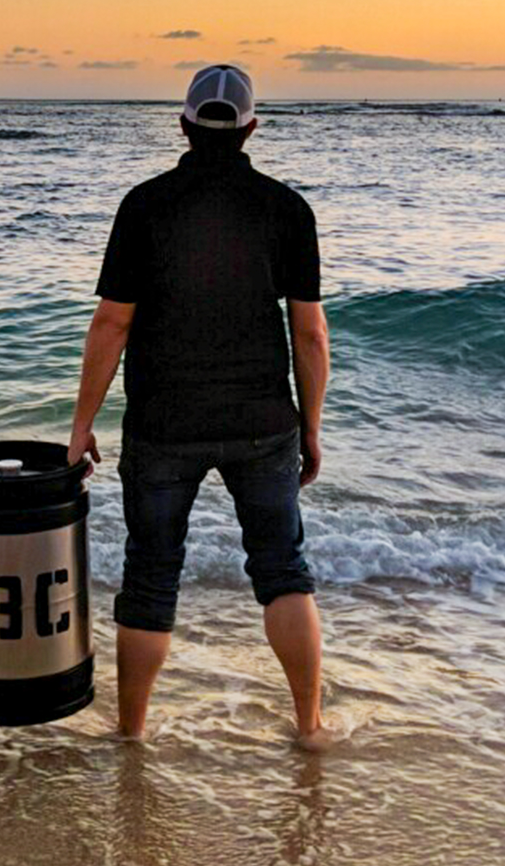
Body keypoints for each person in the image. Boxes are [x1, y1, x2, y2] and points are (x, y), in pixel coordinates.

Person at [66, 65, 331, 750]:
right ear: (250, 128)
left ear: (183, 124)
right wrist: (311, 427)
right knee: (282, 571)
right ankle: (309, 725)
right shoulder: (287, 209)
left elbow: (110, 325)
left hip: (163, 424)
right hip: (262, 422)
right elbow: (310, 333)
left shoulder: (145, 205)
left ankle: (131, 732)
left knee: (151, 576)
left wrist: (81, 425)